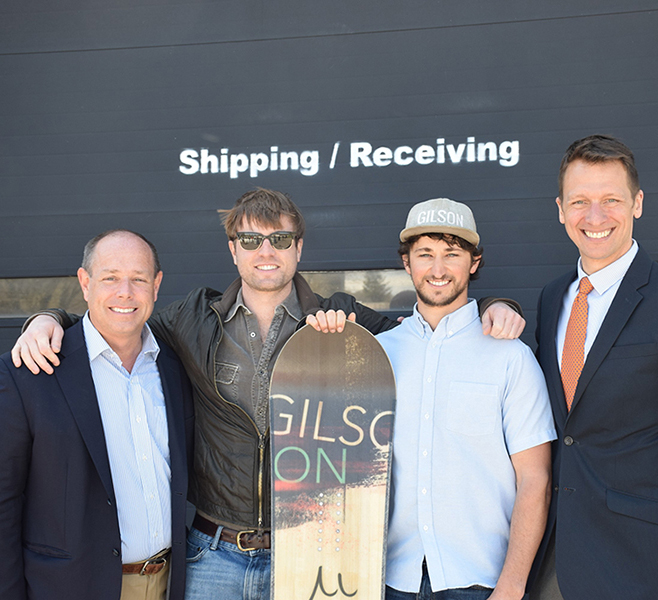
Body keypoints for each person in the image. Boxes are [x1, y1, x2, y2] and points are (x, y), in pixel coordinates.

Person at [11, 189, 525, 600]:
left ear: (298, 249)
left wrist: (492, 306)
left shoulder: (341, 320)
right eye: (251, 240)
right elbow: (119, 318)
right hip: (211, 555)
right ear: (232, 250)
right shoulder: (190, 321)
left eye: (280, 239)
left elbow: (427, 326)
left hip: (309, 556)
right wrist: (49, 319)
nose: (266, 252)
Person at [527, 135, 658, 599]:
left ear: (638, 203)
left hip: (651, 566)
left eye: (611, 200)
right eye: (580, 201)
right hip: (556, 565)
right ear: (561, 209)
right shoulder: (550, 300)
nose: (596, 217)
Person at [376, 198, 556, 600]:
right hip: (388, 580)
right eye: (425, 254)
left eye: (451, 254)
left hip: (481, 583)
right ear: (407, 263)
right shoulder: (379, 353)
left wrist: (511, 587)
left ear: (473, 262)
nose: (438, 270)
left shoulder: (512, 357)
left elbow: (535, 480)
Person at [0, 230, 194, 600]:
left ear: (157, 285)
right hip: (70, 588)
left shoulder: (174, 365)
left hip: (168, 584)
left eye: (138, 279)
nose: (125, 292)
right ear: (85, 282)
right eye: (110, 278)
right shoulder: (29, 372)